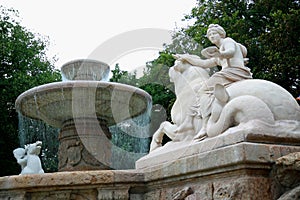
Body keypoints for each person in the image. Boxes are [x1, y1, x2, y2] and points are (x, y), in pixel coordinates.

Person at [174, 24, 252, 140]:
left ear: (221, 34)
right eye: (209, 35)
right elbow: (204, 64)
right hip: (230, 73)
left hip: (234, 72)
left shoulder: (227, 41)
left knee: (203, 90)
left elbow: (230, 52)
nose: (211, 36)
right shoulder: (219, 53)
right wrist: (185, 58)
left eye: (214, 33)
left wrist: (219, 54)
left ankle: (205, 126)